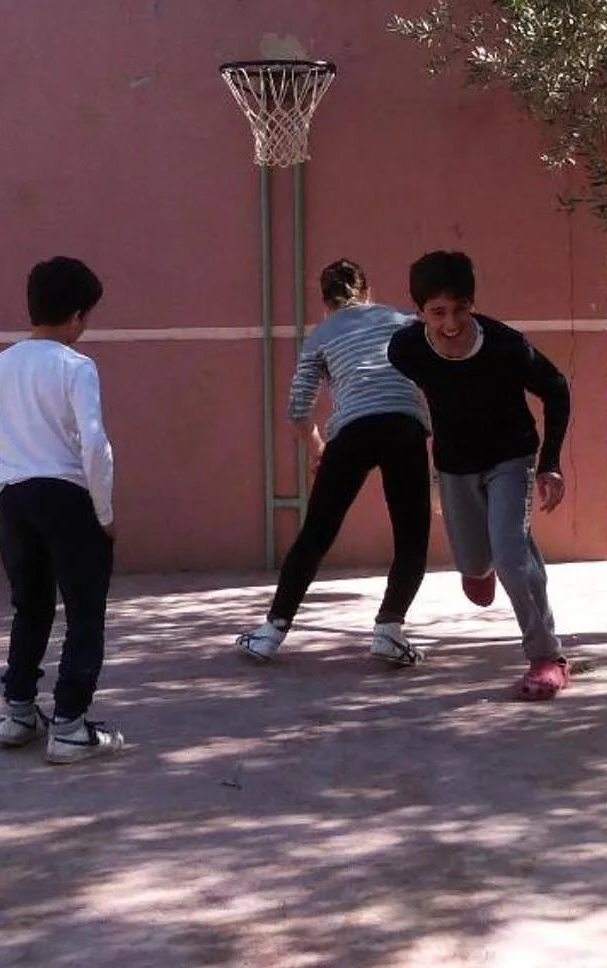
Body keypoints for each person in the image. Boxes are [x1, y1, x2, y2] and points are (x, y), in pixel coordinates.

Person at [386, 250, 574, 700]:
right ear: (420, 313)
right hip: (454, 466)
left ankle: (547, 656)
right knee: (477, 563)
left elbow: (557, 388)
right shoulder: (407, 350)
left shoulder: (505, 346)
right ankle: (481, 566)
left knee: (511, 553)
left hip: (512, 456)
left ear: (472, 304)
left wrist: (549, 462)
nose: (451, 323)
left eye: (461, 309)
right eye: (438, 313)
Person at [235, 259, 434, 667]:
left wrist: (318, 448)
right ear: (368, 289)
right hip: (404, 426)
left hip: (352, 432)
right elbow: (431, 370)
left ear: (323, 299)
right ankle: (389, 631)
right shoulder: (400, 319)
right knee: (411, 538)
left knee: (315, 535)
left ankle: (270, 632)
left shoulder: (321, 335)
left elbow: (297, 407)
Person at [0, 255, 126, 764]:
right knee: (84, 612)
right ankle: (70, 725)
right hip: (65, 498)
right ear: (79, 314)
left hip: (12, 499)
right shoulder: (76, 366)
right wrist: (103, 513)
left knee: (30, 606)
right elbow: (95, 445)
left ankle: (17, 711)